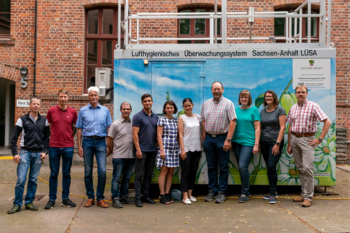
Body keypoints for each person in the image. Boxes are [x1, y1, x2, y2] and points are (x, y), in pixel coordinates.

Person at [287, 84, 331, 208]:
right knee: (300, 168)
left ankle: (308, 197)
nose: (300, 94)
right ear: (295, 94)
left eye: (303, 92)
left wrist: (319, 139)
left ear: (307, 93)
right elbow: (290, 126)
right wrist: (290, 143)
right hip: (295, 139)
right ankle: (303, 193)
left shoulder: (313, 106)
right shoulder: (293, 108)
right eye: (298, 92)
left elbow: (327, 122)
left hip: (307, 139)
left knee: (307, 168)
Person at [8, 97, 50, 214]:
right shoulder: (22, 120)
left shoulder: (44, 121)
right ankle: (17, 204)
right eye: (34, 104)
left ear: (40, 106)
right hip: (25, 153)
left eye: (38, 104)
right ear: (30, 105)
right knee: (21, 180)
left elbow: (47, 138)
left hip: (38, 154)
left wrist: (45, 151)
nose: (36, 106)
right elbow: (14, 138)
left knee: (33, 180)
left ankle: (29, 202)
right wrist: (15, 153)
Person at [76, 86, 112, 208]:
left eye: (95, 95)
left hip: (101, 142)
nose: (93, 97)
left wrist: (109, 145)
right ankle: (90, 197)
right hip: (87, 142)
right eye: (91, 95)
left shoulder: (105, 110)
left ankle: (100, 198)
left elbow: (109, 128)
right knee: (88, 172)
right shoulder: (83, 110)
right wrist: (79, 146)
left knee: (102, 171)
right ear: (88, 97)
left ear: (98, 96)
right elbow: (79, 129)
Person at [201, 81, 236, 203]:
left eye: (218, 89)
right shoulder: (206, 104)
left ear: (223, 89)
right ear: (211, 90)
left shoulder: (228, 104)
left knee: (223, 167)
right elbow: (203, 122)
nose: (216, 91)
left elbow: (233, 121)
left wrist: (228, 139)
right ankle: (212, 191)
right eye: (214, 89)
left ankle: (222, 192)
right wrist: (204, 139)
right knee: (211, 167)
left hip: (222, 139)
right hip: (209, 139)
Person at [44, 89, 78, 209]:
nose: (63, 99)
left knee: (66, 173)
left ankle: (65, 199)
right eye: (61, 97)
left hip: (68, 146)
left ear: (68, 98)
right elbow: (50, 127)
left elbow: (74, 128)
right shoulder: (51, 111)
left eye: (65, 97)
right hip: (54, 146)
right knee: (53, 173)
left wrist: (68, 137)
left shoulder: (73, 112)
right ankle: (52, 199)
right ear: (57, 97)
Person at [232, 89, 261, 203]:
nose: (243, 99)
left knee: (243, 166)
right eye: (242, 97)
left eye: (246, 97)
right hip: (236, 142)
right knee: (241, 167)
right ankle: (245, 190)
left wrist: (256, 144)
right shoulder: (235, 110)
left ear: (249, 99)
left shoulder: (254, 110)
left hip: (248, 142)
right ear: (239, 99)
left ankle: (245, 192)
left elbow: (257, 128)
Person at [259, 90, 286, 204]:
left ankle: (272, 194)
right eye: (266, 97)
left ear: (274, 97)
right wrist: (259, 143)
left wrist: (277, 144)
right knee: (270, 167)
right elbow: (260, 128)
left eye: (270, 96)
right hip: (264, 142)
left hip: (275, 142)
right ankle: (272, 191)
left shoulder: (280, 110)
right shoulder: (262, 111)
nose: (268, 98)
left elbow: (283, 127)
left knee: (271, 166)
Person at [132, 94, 159, 207]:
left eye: (149, 101)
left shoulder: (156, 117)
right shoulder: (137, 116)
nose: (147, 103)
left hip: (152, 150)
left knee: (149, 174)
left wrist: (157, 147)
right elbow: (134, 134)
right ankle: (138, 197)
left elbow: (158, 134)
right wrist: (138, 150)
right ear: (142, 103)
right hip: (141, 150)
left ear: (152, 102)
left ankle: (146, 196)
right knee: (139, 174)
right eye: (145, 101)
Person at [107, 102, 135, 208]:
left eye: (128, 109)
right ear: (120, 110)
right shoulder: (115, 124)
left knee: (127, 178)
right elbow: (109, 140)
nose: (126, 111)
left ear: (130, 110)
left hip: (130, 156)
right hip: (119, 156)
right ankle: (115, 198)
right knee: (116, 178)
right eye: (124, 109)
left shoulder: (133, 124)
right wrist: (114, 151)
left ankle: (123, 196)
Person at [178, 98, 202, 205]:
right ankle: (184, 196)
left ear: (192, 105)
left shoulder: (198, 117)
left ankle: (190, 194)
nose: (188, 108)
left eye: (189, 105)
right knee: (186, 172)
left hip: (196, 148)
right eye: (185, 106)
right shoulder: (181, 118)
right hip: (186, 149)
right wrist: (182, 149)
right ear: (183, 107)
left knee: (193, 171)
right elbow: (180, 135)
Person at [156, 100, 179, 204]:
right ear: (164, 109)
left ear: (174, 109)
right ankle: (162, 194)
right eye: (167, 108)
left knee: (170, 172)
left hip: (173, 149)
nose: (169, 109)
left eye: (171, 108)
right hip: (164, 149)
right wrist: (161, 150)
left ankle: (167, 193)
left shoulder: (176, 121)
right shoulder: (161, 120)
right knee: (164, 172)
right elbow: (159, 136)